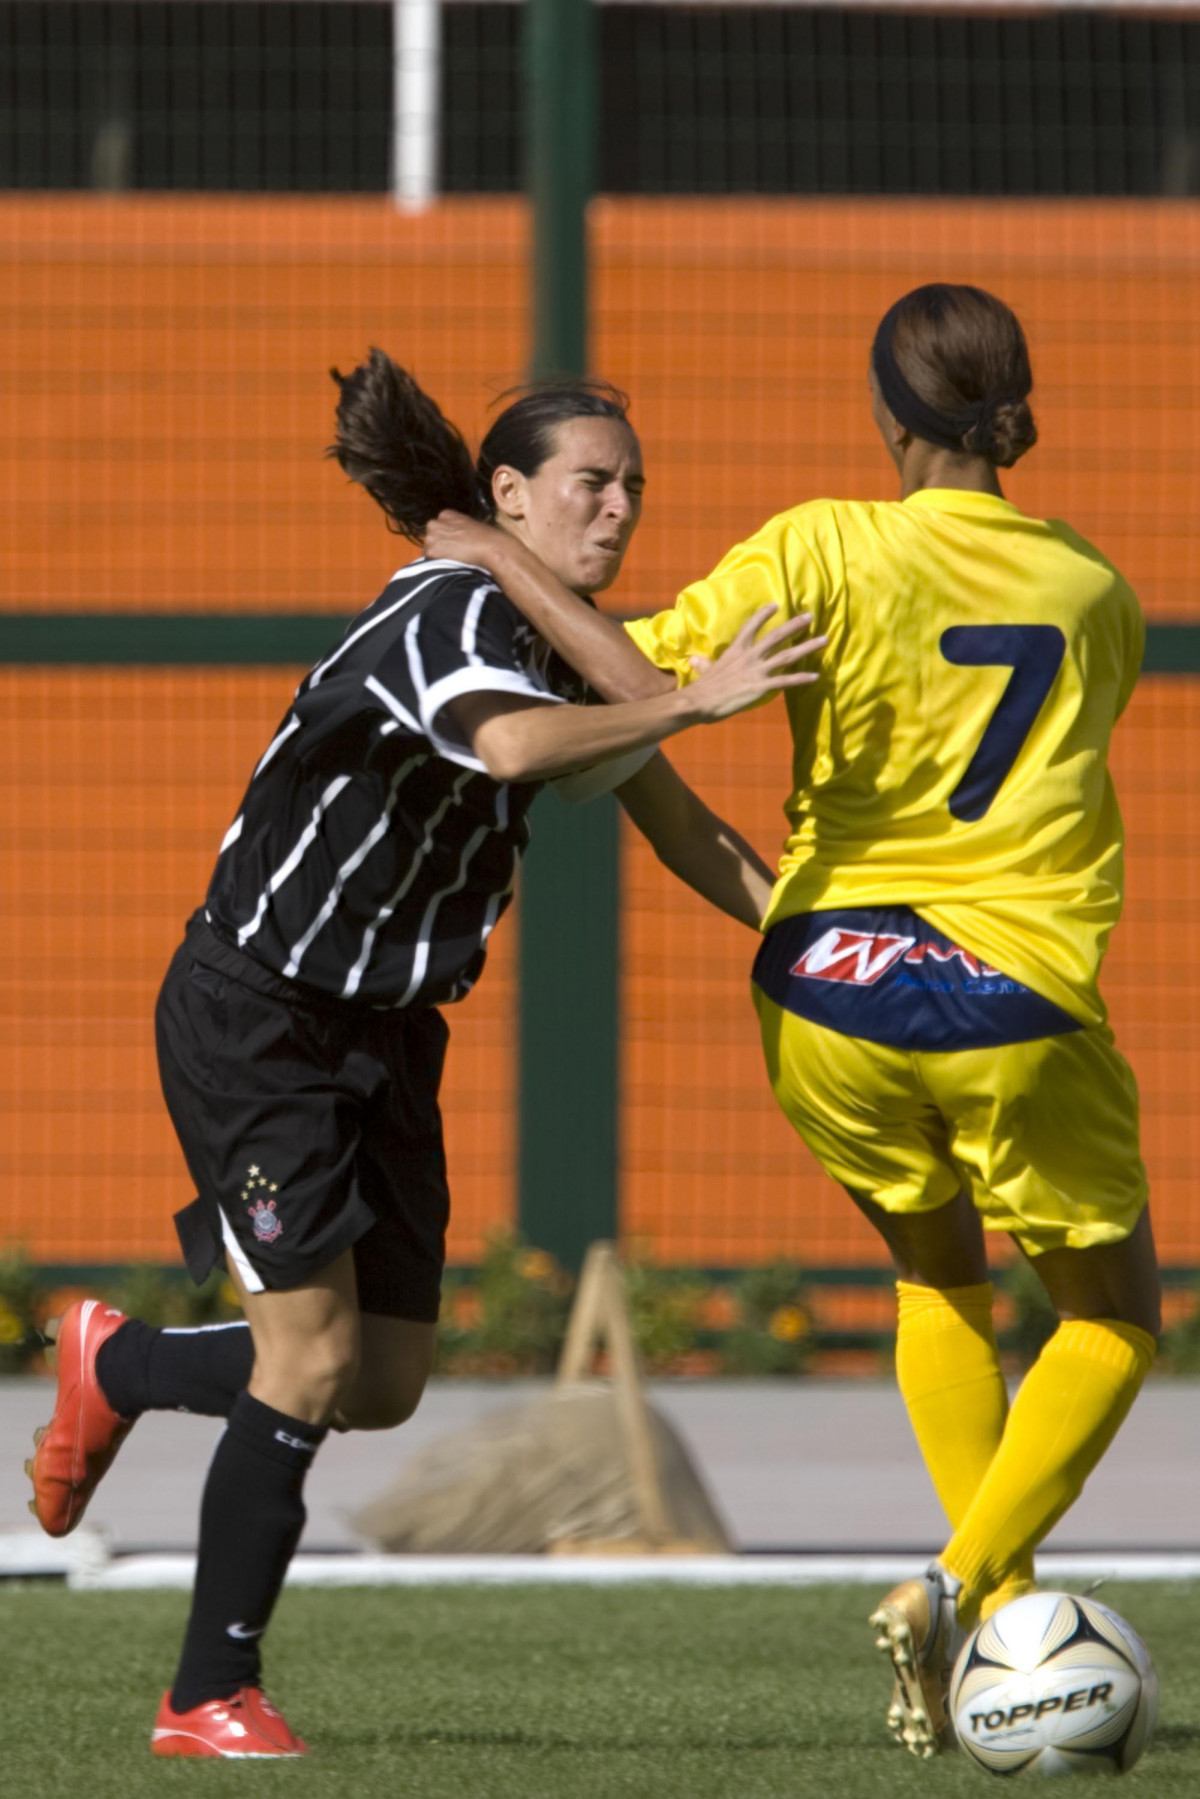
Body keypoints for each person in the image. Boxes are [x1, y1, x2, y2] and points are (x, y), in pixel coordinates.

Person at [26, 353, 824, 1759]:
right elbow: (515, 749)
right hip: (257, 1013)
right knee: (313, 1355)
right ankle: (205, 1694)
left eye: (636, 485)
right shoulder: (442, 613)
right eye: (593, 480)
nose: (623, 505)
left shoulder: (522, 616)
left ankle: (124, 1363)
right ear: (507, 493)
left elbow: (675, 808)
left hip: (386, 1032)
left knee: (379, 1380)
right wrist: (672, 684)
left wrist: (806, 937)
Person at [424, 283, 1159, 1762]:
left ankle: (998, 1619)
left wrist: (501, 550)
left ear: (885, 416)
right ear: (1012, 410)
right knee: (1113, 1315)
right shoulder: (1091, 588)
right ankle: (964, 1582)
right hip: (1009, 986)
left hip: (825, 987)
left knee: (937, 1280)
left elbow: (629, 675)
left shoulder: (816, 547)